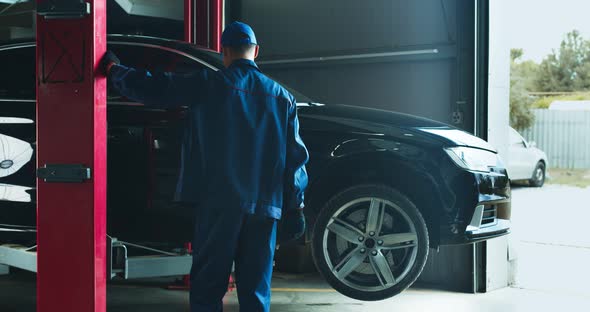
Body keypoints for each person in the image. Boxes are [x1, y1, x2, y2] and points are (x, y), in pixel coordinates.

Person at [101, 21, 309, 312]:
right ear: (256, 51)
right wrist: (296, 206)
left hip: (219, 204)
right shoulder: (282, 97)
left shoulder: (209, 84)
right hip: (265, 208)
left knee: (208, 288)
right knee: (256, 290)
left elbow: (155, 87)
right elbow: (296, 159)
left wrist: (113, 71)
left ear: (224, 51)